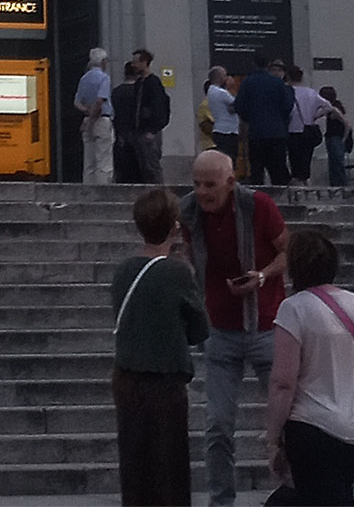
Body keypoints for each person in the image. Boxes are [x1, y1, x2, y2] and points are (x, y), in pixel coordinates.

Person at [177, 149, 290, 507]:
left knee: (289, 420)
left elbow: (288, 252)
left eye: (210, 185)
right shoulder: (189, 211)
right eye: (196, 184)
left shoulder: (258, 206)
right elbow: (181, 255)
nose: (203, 192)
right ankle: (221, 501)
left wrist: (261, 275)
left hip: (267, 324)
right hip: (220, 329)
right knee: (218, 425)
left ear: (230, 182)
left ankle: (295, 491)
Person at [262, 229, 354, 505]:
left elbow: (284, 382)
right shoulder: (353, 302)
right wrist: (349, 391)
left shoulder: (293, 309)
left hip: (314, 431)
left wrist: (273, 439)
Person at [108, 186, 209, 506]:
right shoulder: (177, 272)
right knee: (169, 467)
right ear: (173, 225)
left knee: (135, 464)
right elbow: (199, 330)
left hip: (126, 376)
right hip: (165, 379)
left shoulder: (124, 269)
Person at [234, 53, 296, 187]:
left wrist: (249, 118)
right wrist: (280, 120)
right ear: (268, 65)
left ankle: (258, 201)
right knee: (278, 170)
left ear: (253, 64)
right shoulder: (278, 83)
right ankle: (279, 201)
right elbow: (288, 106)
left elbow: (239, 105)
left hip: (256, 133)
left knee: (257, 170)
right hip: (277, 133)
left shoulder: (248, 82)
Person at [131, 49, 171, 184]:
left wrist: (153, 129)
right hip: (139, 130)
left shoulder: (154, 83)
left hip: (149, 131)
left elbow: (160, 107)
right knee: (143, 166)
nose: (133, 65)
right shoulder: (138, 84)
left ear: (144, 62)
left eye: (136, 62)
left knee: (152, 165)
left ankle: (159, 194)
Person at [76, 46, 115, 186]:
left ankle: (88, 190)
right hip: (101, 120)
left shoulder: (84, 78)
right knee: (104, 160)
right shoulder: (104, 78)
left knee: (89, 162)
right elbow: (100, 100)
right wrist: (92, 118)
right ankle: (103, 190)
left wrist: (87, 113)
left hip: (87, 120)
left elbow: (77, 102)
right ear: (103, 61)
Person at [287, 66, 326, 184]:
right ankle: (305, 183)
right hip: (308, 129)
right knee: (306, 159)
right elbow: (328, 106)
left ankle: (297, 184)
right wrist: (315, 115)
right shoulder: (310, 92)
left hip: (293, 129)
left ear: (288, 76)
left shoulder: (288, 91)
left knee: (294, 159)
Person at [113, 61, 147, 183]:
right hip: (138, 134)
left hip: (121, 134)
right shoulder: (140, 92)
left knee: (123, 169)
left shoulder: (116, 92)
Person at [316, 88, 352, 187]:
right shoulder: (332, 108)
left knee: (337, 165)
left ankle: (340, 186)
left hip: (336, 138)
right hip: (334, 138)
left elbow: (347, 125)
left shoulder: (334, 109)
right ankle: (338, 186)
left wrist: (343, 139)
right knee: (335, 164)